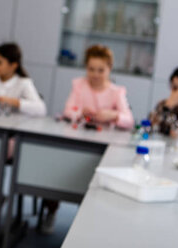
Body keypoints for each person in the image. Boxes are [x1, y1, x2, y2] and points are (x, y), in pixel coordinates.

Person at [49, 44, 134, 234]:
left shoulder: (116, 92)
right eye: (91, 69)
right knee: (54, 171)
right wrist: (80, 112)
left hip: (103, 147)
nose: (95, 74)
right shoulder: (79, 85)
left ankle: (86, 225)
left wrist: (112, 115)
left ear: (109, 69)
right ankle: (51, 211)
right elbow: (68, 111)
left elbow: (129, 121)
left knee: (92, 185)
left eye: (100, 70)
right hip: (77, 142)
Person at [0, 42, 46, 227]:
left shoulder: (24, 83)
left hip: (12, 138)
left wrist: (14, 102)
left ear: (13, 65)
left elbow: (40, 108)